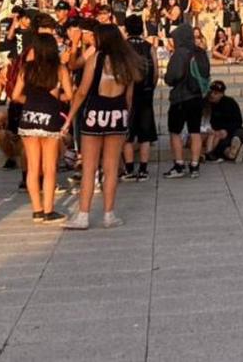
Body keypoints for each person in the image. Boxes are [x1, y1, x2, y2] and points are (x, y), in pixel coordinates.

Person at [63, 23, 143, 229]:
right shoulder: (127, 62)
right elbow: (129, 96)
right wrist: (126, 118)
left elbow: (82, 91)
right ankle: (109, 214)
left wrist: (70, 117)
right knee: (111, 167)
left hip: (95, 112)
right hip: (117, 113)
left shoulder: (96, 59)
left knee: (89, 168)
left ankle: (83, 215)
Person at [11, 33, 73, 223]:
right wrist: (55, 99)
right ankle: (48, 210)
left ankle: (36, 210)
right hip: (50, 118)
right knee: (49, 167)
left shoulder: (26, 69)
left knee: (32, 167)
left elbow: (15, 96)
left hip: (29, 117)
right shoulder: (59, 69)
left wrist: (29, 101)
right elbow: (69, 95)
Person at [163, 24, 210, 178]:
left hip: (181, 97)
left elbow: (172, 77)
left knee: (175, 131)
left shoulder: (180, 53)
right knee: (195, 131)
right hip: (197, 96)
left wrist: (168, 78)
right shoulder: (200, 52)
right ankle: (195, 165)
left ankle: (179, 165)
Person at [121, 15, 158, 181]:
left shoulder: (123, 47)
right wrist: (152, 86)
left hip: (126, 93)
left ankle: (129, 169)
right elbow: (156, 70)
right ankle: (143, 169)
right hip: (146, 92)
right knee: (145, 134)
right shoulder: (149, 46)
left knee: (128, 134)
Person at [202, 81, 243, 162]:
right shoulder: (207, 104)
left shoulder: (230, 103)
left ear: (222, 94)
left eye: (215, 93)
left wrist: (226, 130)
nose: (212, 95)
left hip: (231, 130)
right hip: (218, 133)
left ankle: (235, 145)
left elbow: (238, 121)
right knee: (221, 145)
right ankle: (234, 153)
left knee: (240, 132)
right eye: (211, 92)